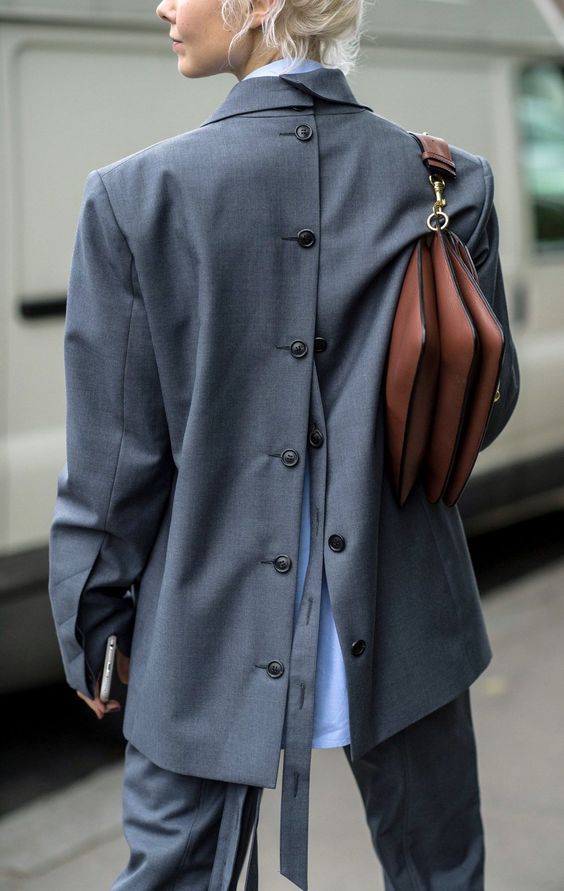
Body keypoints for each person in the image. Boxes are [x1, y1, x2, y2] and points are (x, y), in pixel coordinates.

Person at [47, 0, 520, 888]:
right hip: (412, 613)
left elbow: (114, 467)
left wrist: (93, 627)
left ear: (257, 6)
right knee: (442, 874)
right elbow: (483, 414)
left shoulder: (133, 196)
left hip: (203, 635)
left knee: (178, 875)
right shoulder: (450, 182)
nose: (163, 7)